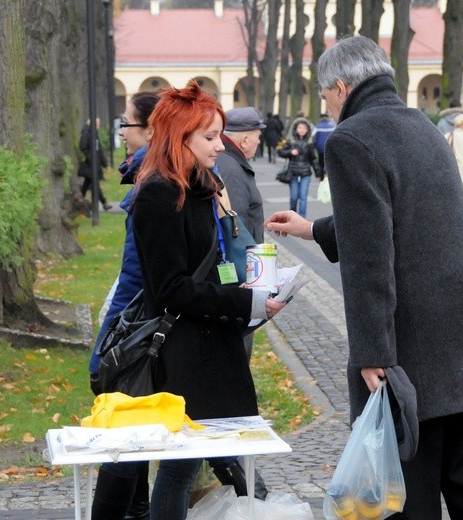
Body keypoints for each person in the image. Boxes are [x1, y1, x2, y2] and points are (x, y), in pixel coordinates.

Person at [265, 35, 463, 520]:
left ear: (340, 87)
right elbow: (406, 219)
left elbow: (370, 261)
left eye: (323, 94)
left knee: (405, 492)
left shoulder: (352, 139)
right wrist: (313, 228)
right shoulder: (420, 125)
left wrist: (372, 351)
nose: (326, 105)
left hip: (415, 341)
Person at [132, 79, 285, 520]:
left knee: (207, 459)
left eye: (219, 134)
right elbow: (171, 289)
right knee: (183, 466)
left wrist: (247, 294)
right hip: (185, 355)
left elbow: (213, 263)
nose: (221, 145)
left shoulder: (199, 186)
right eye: (211, 137)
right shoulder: (160, 194)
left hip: (211, 346)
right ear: (180, 139)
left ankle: (258, 503)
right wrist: (243, 302)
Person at [88, 91, 159, 520]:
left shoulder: (150, 181)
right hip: (151, 325)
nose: (121, 134)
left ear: (150, 130)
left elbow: (135, 275)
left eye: (126, 125)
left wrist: (103, 347)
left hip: (141, 329)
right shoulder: (149, 175)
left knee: (126, 434)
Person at [216, 106, 266, 360]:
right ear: (245, 138)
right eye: (257, 136)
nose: (259, 142)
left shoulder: (229, 162)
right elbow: (235, 227)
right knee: (237, 348)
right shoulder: (231, 169)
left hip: (243, 274)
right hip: (241, 275)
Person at [278, 116, 323, 218]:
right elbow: (280, 152)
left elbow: (313, 159)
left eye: (304, 128)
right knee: (294, 197)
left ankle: (301, 217)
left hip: (306, 174)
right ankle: (292, 216)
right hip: (293, 173)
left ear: (308, 130)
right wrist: (290, 152)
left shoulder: (309, 143)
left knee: (303, 197)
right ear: (295, 129)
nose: (302, 130)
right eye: (299, 128)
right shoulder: (291, 141)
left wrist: (318, 172)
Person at [78, 118, 113, 211]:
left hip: (95, 163)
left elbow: (99, 149)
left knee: (87, 183)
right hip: (90, 163)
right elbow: (82, 146)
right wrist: (91, 158)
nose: (98, 126)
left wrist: (105, 164)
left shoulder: (94, 133)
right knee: (94, 183)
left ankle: (80, 199)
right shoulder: (86, 133)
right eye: (97, 124)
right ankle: (104, 203)